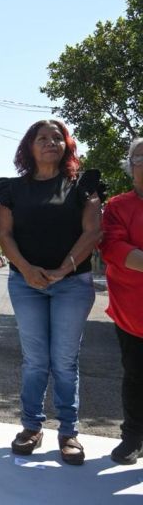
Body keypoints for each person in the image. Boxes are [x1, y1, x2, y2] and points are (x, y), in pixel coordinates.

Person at [0, 120, 101, 465]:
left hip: (72, 284)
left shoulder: (83, 185)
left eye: (58, 137)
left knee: (65, 362)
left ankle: (68, 433)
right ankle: (31, 427)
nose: (50, 142)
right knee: (35, 361)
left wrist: (62, 269)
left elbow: (92, 232)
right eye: (42, 138)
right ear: (29, 146)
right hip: (27, 285)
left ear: (67, 145)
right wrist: (27, 270)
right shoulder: (12, 189)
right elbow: (5, 236)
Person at [99, 137, 143, 465]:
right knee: (136, 375)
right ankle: (133, 437)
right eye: (139, 158)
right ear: (130, 167)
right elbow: (112, 249)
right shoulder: (117, 206)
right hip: (133, 311)